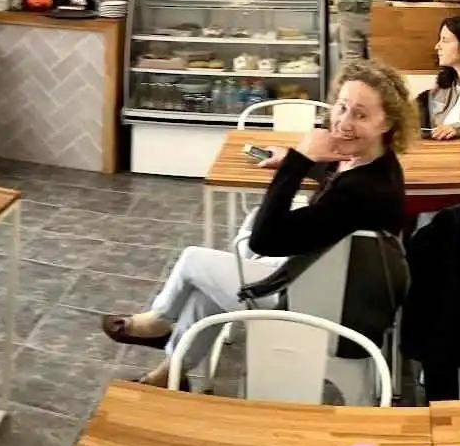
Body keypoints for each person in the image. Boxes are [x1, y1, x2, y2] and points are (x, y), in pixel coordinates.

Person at [100, 60, 414, 386]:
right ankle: (172, 371)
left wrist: (297, 162)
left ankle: (160, 321)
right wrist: (298, 160)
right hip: (329, 280)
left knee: (196, 261)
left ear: (387, 122)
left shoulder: (359, 191)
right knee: (211, 281)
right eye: (342, 107)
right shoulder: (375, 165)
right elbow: (337, 187)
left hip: (320, 305)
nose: (344, 122)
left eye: (360, 115)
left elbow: (265, 239)